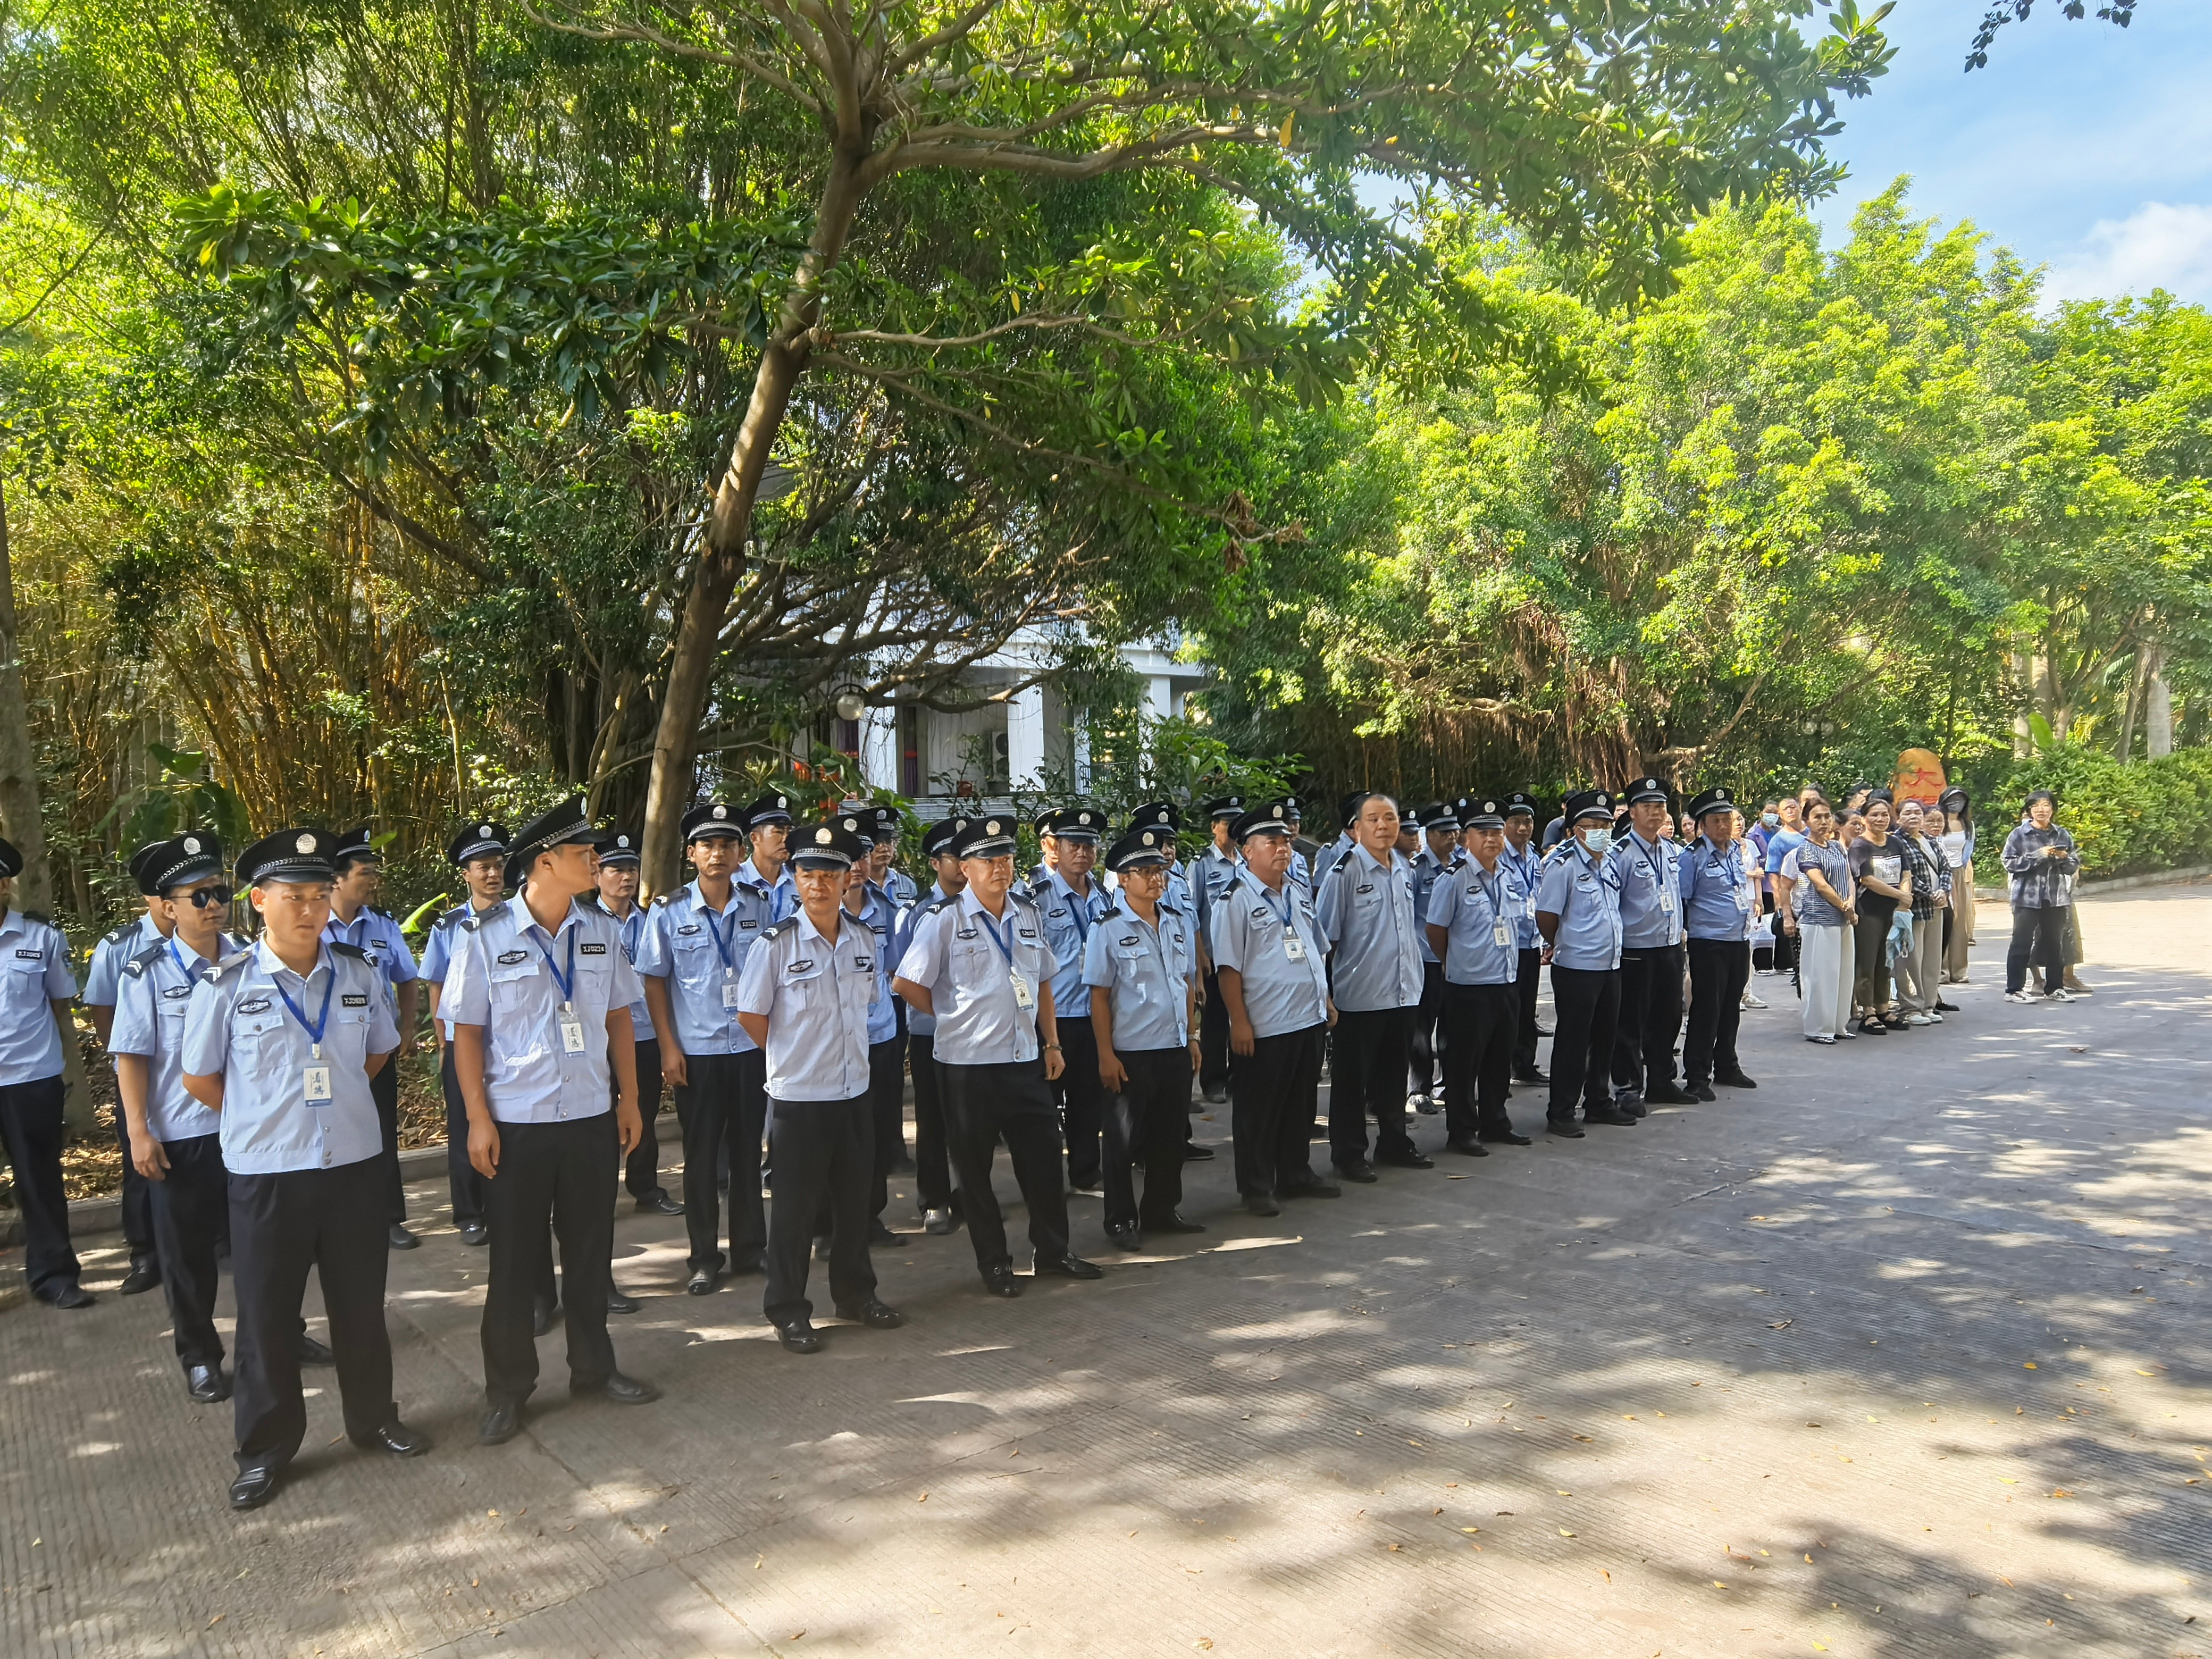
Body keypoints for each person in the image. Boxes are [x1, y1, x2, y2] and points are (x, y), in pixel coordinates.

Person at [180, 827, 429, 1510]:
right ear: (259, 900)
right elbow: (200, 1079)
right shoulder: (227, 985)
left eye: (320, 896)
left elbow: (377, 1053)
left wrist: (333, 1103)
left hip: (352, 1167)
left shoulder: (359, 973)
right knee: (265, 1319)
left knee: (360, 1308)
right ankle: (264, 1449)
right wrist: (264, 1119)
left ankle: (374, 1420)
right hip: (268, 1175)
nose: (311, 910)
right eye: (294, 897)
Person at [443, 797, 659, 1447]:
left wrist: (629, 1100)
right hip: (518, 1123)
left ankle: (594, 1369)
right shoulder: (483, 937)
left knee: (591, 1252)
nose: (597, 860)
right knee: (513, 1263)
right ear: (544, 863)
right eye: (583, 853)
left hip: (589, 1115)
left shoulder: (601, 931)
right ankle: (508, 1390)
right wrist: (477, 1119)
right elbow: (466, 1034)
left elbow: (618, 1016)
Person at [892, 815, 1101, 1295]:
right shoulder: (944, 920)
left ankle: (1053, 1252)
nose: (1000, 868)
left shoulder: (1027, 913)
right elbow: (906, 983)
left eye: (1005, 858)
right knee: (975, 1172)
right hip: (967, 1066)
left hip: (1024, 1059)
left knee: (1044, 1161)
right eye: (988, 861)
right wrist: (951, 1014)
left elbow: (1043, 980)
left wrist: (1052, 1043)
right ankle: (995, 1263)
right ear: (966, 868)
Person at [737, 817, 903, 1352]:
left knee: (854, 1205)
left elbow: (868, 1006)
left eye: (829, 874)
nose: (818, 884)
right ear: (795, 878)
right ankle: (788, 1310)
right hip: (800, 1099)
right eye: (808, 873)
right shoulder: (775, 945)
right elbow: (751, 1016)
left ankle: (856, 1294)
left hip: (853, 1092)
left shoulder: (862, 939)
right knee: (794, 1212)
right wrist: (792, 1056)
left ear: (847, 877)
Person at [111, 832, 254, 1397]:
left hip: (252, 1129)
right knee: (187, 1256)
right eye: (198, 896)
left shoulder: (253, 959)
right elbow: (131, 1057)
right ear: (169, 908)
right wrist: (138, 1132)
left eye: (219, 892)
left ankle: (280, 1337)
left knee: (264, 1246)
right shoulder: (146, 973)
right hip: (182, 1133)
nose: (213, 904)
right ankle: (199, 1356)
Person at [636, 801, 776, 1295]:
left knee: (748, 1152)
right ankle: (703, 1257)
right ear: (691, 853)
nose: (718, 854)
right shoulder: (668, 911)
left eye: (726, 845)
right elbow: (654, 982)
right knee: (700, 1159)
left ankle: (751, 1248)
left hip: (749, 1051)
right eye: (708, 845)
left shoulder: (760, 906)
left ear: (740, 853)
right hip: (697, 1053)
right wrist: (668, 1048)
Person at [1209, 800, 1338, 1216]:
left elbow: (1316, 948)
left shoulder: (1297, 891)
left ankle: (1295, 1173)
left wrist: (1326, 999)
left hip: (1307, 1017)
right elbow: (1228, 968)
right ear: (1247, 850)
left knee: (1300, 1105)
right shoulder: (1235, 899)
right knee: (1259, 1111)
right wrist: (1238, 1021)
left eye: (1286, 841)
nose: (1284, 848)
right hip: (1265, 1023)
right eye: (1272, 842)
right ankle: (1257, 1186)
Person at [1084, 825, 1206, 1249]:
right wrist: (1105, 1054)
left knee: (1169, 1137)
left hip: (1173, 1047)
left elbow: (1185, 983)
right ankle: (1120, 1220)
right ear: (1123, 879)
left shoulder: (1174, 921)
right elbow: (1099, 997)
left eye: (1160, 871)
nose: (1157, 879)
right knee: (1122, 1143)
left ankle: (1161, 1210)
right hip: (1131, 1052)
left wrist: (1192, 1036)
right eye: (1146, 872)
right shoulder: (1107, 928)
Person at [1314, 792, 1429, 1181]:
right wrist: (1327, 993)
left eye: (1390, 818)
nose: (1383, 826)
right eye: (1374, 819)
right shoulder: (1344, 873)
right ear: (1357, 828)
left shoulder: (1404, 867)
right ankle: (1348, 1153)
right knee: (1352, 1081)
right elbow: (1324, 940)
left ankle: (1394, 1142)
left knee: (1394, 1075)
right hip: (1360, 996)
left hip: (1403, 990)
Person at [0, 835, 91, 1309]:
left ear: (4, 886)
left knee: (39, 1179)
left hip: (30, 1079)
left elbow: (59, 1003)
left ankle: (54, 1276)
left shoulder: (41, 938)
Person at [323, 826, 422, 1249]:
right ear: (337, 879)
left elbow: (407, 977)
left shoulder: (383, 925)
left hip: (376, 1047)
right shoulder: (311, 926)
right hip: (328, 1052)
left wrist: (406, 1028)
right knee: (327, 1131)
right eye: (364, 872)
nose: (373, 879)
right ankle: (331, 1222)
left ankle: (388, 1219)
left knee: (380, 1130)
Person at [417, 820, 512, 1247]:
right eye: (483, 867)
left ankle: (507, 1206)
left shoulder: (520, 918)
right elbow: (436, 984)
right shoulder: (449, 926)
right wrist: (443, 1041)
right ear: (466, 875)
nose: (493, 874)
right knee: (464, 1125)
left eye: (498, 865)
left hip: (509, 1038)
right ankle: (471, 1214)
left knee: (509, 1122)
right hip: (462, 1041)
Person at [82, 841, 170, 1295]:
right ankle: (145, 1252)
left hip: (204, 1075)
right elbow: (102, 1009)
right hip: (141, 1074)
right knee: (141, 1163)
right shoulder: (119, 947)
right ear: (151, 896)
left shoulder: (217, 943)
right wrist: (123, 1061)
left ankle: (217, 1241)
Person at [1425, 797, 1527, 1155]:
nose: (1492, 839)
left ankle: (1495, 1121)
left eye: (1496, 832)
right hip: (1468, 987)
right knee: (1463, 1064)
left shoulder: (1508, 875)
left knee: (1500, 1059)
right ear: (1466, 837)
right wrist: (1455, 962)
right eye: (1483, 833)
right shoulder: (1453, 879)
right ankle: (1462, 1130)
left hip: (1506, 982)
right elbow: (1436, 930)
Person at [593, 830, 682, 1219]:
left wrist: (667, 1040)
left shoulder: (652, 921)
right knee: (598, 1117)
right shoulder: (585, 923)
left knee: (642, 1111)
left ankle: (645, 1187)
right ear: (597, 874)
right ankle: (597, 1193)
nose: (626, 877)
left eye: (632, 869)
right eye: (616, 869)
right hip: (597, 1037)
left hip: (643, 1034)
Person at [1535, 791, 1630, 1136]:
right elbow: (1546, 916)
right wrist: (1564, 942)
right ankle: (1561, 1110)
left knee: (1605, 1038)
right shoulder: (1563, 866)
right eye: (1593, 826)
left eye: (1606, 825)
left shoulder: (1611, 860)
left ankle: (1598, 1102)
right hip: (1577, 966)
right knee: (1573, 1042)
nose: (1601, 831)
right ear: (1577, 830)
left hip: (1610, 964)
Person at [1029, 807, 1111, 1191]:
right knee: (1045, 1104)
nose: (1082, 853)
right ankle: (1044, 1180)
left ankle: (1086, 1171)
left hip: (1094, 1014)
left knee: (1089, 1100)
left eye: (1088, 846)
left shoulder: (1104, 897)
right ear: (1055, 848)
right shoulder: (1036, 899)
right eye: (1074, 845)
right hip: (1054, 1017)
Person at [896, 816, 968, 1235]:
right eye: (952, 857)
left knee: (973, 1121)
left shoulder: (986, 906)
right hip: (932, 1033)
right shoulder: (917, 913)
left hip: (977, 1036)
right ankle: (935, 1200)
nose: (961, 864)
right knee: (933, 1120)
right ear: (935, 863)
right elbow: (904, 978)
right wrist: (945, 1015)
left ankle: (970, 1196)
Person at [837, 825, 908, 1246]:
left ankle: (870, 1217)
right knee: (837, 1135)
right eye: (850, 858)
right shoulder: (813, 911)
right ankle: (830, 1226)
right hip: (834, 1041)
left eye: (864, 856)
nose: (859, 865)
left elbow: (895, 970)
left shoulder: (885, 909)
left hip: (879, 1035)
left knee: (878, 1130)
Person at [1607, 778, 1692, 1110]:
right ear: (1632, 812)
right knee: (1630, 1023)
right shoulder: (1620, 854)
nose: (1656, 813)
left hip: (1669, 947)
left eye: (1660, 806)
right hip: (1636, 950)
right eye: (1647, 807)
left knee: (1668, 1018)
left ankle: (1662, 1081)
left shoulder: (1672, 851)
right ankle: (1628, 1089)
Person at [1677, 788, 1758, 1098]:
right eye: (1717, 821)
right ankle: (1697, 1075)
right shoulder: (1692, 857)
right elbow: (1683, 899)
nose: (1724, 826)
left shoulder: (1736, 850)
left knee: (1730, 1007)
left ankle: (1727, 1065)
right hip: (1708, 942)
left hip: (1738, 939)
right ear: (1703, 825)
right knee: (1706, 1009)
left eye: (1728, 819)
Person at [1404, 801, 1460, 1117]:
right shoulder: (1417, 870)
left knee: (1453, 1025)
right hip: (1424, 959)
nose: (1451, 837)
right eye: (1443, 832)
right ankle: (1418, 1089)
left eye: (1454, 831)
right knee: (1421, 1029)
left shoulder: (1462, 866)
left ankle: (1451, 1082)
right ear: (1429, 835)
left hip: (1456, 959)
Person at [1784, 799, 1856, 1044]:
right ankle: (1819, 1028)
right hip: (1818, 920)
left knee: (1843, 975)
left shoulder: (1836, 847)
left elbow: (1849, 878)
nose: (1824, 821)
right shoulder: (1805, 849)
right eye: (1817, 817)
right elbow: (1820, 884)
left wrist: (1850, 904)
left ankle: (1838, 1025)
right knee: (1820, 977)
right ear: (1806, 821)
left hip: (1843, 919)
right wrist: (1844, 906)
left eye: (1827, 816)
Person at [2002, 790, 2080, 1003]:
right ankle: (2014, 990)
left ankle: (2055, 988)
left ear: (2053, 809)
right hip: (2026, 897)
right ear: (2029, 810)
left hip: (2055, 897)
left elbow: (2073, 865)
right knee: (2021, 943)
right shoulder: (2019, 834)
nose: (2041, 810)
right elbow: (2009, 862)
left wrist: (2063, 858)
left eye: (2046, 805)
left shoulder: (2062, 834)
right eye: (2036, 806)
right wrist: (2039, 855)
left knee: (2055, 943)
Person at [1192, 796, 1244, 1106]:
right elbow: (1193, 913)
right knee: (1215, 1022)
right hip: (1214, 957)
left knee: (1243, 1017)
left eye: (1237, 824)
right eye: (1227, 824)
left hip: (1244, 956)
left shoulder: (1247, 861)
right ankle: (1213, 1081)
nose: (1233, 830)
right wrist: (1200, 954)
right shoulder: (1201, 865)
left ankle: (1239, 1078)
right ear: (1215, 827)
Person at [1847, 794, 1909, 1033]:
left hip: (1892, 911)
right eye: (1874, 815)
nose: (1881, 819)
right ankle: (1868, 1012)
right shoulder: (1860, 846)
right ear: (1864, 819)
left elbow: (1906, 873)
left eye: (1885, 815)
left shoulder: (1896, 843)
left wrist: (1905, 896)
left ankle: (1883, 1007)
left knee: (1886, 962)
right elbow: (1867, 880)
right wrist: (1900, 895)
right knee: (1867, 962)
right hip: (1868, 912)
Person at [1497, 793, 1548, 1085]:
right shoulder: (1497, 857)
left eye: (1527, 821)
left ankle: (1525, 1064)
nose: (1523, 827)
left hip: (1531, 944)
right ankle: (1500, 1069)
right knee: (1506, 1010)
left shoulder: (1535, 857)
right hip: (1507, 946)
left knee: (1528, 1008)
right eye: (1515, 821)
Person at [1890, 800, 1953, 1026]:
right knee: (1910, 960)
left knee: (1932, 959)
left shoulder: (1931, 840)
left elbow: (1946, 868)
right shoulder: (1896, 842)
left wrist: (1943, 891)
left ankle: (1928, 1004)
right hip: (1914, 908)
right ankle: (1910, 1007)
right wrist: (1930, 893)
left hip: (1936, 907)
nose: (1914, 817)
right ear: (1898, 818)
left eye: (1918, 813)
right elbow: (1905, 874)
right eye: (1908, 813)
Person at [1761, 798, 1807, 982]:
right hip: (1794, 897)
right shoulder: (1778, 841)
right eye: (1785, 809)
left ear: (1800, 808)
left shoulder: (1813, 832)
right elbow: (1774, 875)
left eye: (1792, 807)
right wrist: (1780, 903)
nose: (1790, 811)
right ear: (1780, 815)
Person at [736, 791, 797, 919]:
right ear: (755, 838)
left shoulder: (799, 882)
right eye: (778, 832)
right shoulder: (734, 882)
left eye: (789, 832)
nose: (786, 839)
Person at [1937, 786, 1975, 983]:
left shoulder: (1968, 825)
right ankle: (1941, 971)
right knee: (1943, 920)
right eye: (1952, 799)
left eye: (1960, 799)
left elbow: (1968, 851)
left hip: (1959, 873)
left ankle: (1959, 971)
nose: (1956, 803)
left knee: (1960, 924)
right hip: (1940, 873)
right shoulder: (1937, 822)